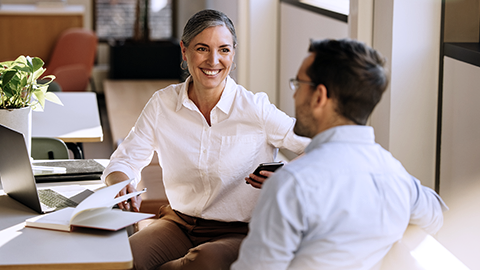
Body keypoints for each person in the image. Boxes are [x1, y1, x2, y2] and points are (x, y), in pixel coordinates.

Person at [101, 9, 310, 270]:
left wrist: (290, 173)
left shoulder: (255, 108)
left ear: (233, 53)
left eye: (224, 50)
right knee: (122, 260)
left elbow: (321, 146)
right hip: (179, 223)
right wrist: (121, 185)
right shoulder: (162, 104)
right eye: (202, 48)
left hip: (240, 231)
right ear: (184, 50)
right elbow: (123, 160)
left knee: (202, 263)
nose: (213, 60)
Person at [231, 39, 448, 270]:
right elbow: (437, 214)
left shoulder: (291, 185)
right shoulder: (396, 177)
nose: (294, 96)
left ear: (319, 96)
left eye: (298, 84)